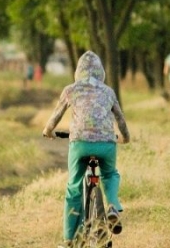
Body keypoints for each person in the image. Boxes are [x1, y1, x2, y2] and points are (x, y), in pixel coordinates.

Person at [42, 51, 131, 248]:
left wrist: (48, 131)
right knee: (110, 174)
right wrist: (125, 138)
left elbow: (55, 117)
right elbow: (121, 120)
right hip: (107, 144)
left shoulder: (70, 90)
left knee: (74, 187)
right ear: (101, 72)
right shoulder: (108, 92)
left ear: (78, 72)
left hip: (80, 144)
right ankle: (113, 207)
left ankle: (68, 240)